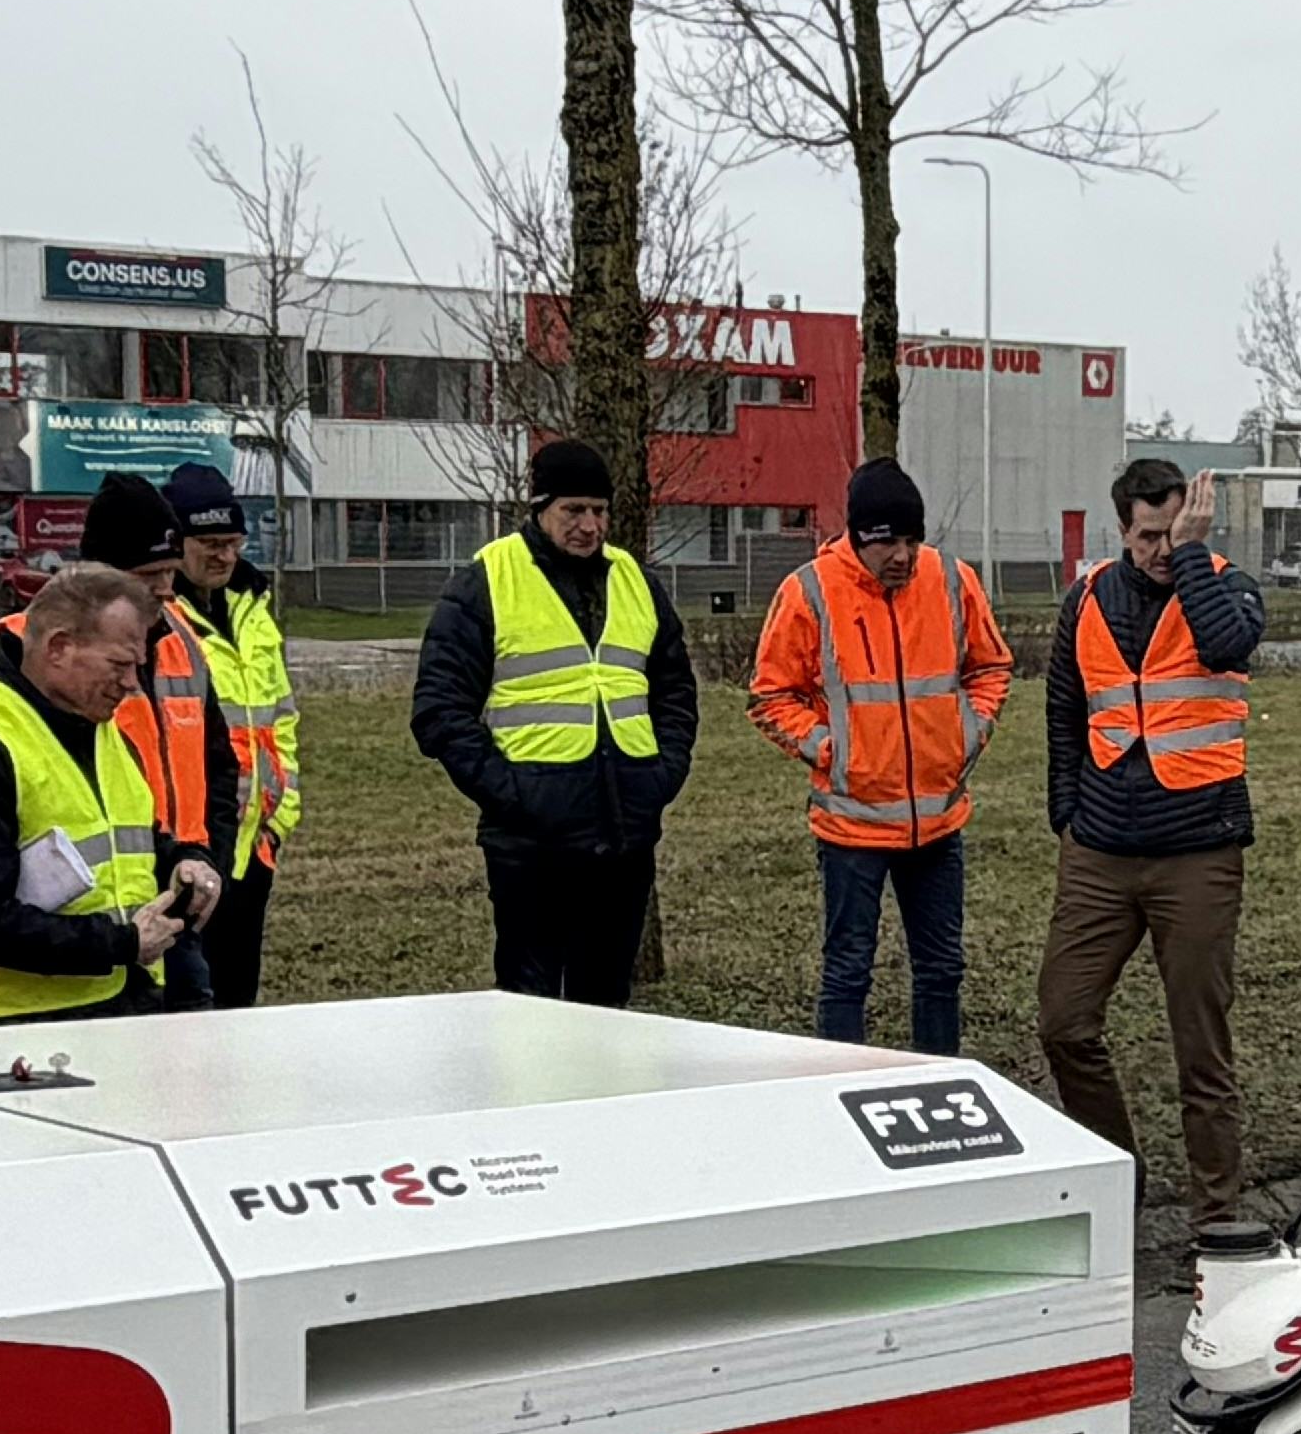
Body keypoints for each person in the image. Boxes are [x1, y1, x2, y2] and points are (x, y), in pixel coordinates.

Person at [1038, 457, 1265, 1224]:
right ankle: (1117, 1181)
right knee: (1064, 1021)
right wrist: (1067, 810)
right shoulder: (1087, 598)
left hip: (1198, 851)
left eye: (1175, 534)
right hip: (1100, 849)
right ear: (1121, 529)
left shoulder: (1227, 586)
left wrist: (1194, 555)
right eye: (1148, 537)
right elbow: (1064, 705)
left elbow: (1227, 644)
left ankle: (1216, 1215)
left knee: (1201, 1047)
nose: (1161, 551)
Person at [412, 438, 696, 1005]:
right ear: (540, 508)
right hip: (530, 845)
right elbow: (439, 710)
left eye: (600, 511)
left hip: (623, 834)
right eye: (574, 510)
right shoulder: (489, 579)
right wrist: (512, 794)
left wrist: (660, 775)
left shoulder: (636, 580)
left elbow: (675, 692)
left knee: (606, 1011)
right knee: (529, 1011)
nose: (590, 526)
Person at [755, 454, 1012, 1053]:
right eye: (887, 542)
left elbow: (991, 666)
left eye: (912, 540)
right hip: (852, 825)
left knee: (942, 969)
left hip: (938, 820)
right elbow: (770, 696)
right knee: (847, 973)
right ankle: (839, 1087)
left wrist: (968, 733)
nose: (902, 555)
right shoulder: (809, 592)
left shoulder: (953, 581)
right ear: (856, 537)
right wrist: (832, 751)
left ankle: (939, 1080)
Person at [0, 561, 192, 1024]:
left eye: (136, 667)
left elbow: (126, 839)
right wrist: (122, 943)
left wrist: (183, 861)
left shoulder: (91, 719)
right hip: (13, 1022)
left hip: (115, 998)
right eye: (119, 665)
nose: (131, 684)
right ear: (58, 647)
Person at [74, 472, 230, 1008]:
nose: (166, 588)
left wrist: (208, 861)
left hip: (181, 896)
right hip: (102, 915)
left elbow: (219, 764)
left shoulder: (182, 641)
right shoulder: (57, 657)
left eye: (170, 571)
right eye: (148, 575)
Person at [160, 459, 301, 1008]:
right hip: (189, 843)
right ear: (177, 543)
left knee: (238, 1000)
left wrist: (279, 819)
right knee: (188, 1005)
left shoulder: (252, 608)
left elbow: (281, 718)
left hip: (252, 843)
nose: (225, 555)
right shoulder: (159, 616)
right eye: (210, 543)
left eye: (234, 543)